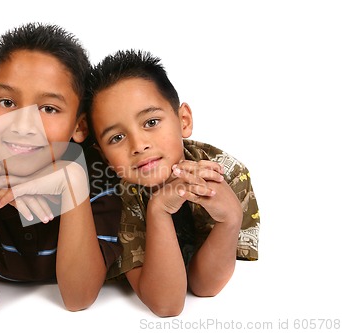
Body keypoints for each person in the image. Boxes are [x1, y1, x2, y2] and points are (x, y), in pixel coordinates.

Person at [0, 23, 122, 316]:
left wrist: (72, 182)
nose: (23, 126)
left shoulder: (99, 172)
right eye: (7, 102)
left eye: (48, 109)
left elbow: (78, 298)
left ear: (79, 125)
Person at [84, 50, 260, 317]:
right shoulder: (112, 197)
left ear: (183, 121)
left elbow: (204, 287)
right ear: (104, 156)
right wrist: (158, 210)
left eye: (151, 122)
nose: (139, 145)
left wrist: (231, 220)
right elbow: (167, 305)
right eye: (117, 138)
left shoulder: (227, 174)